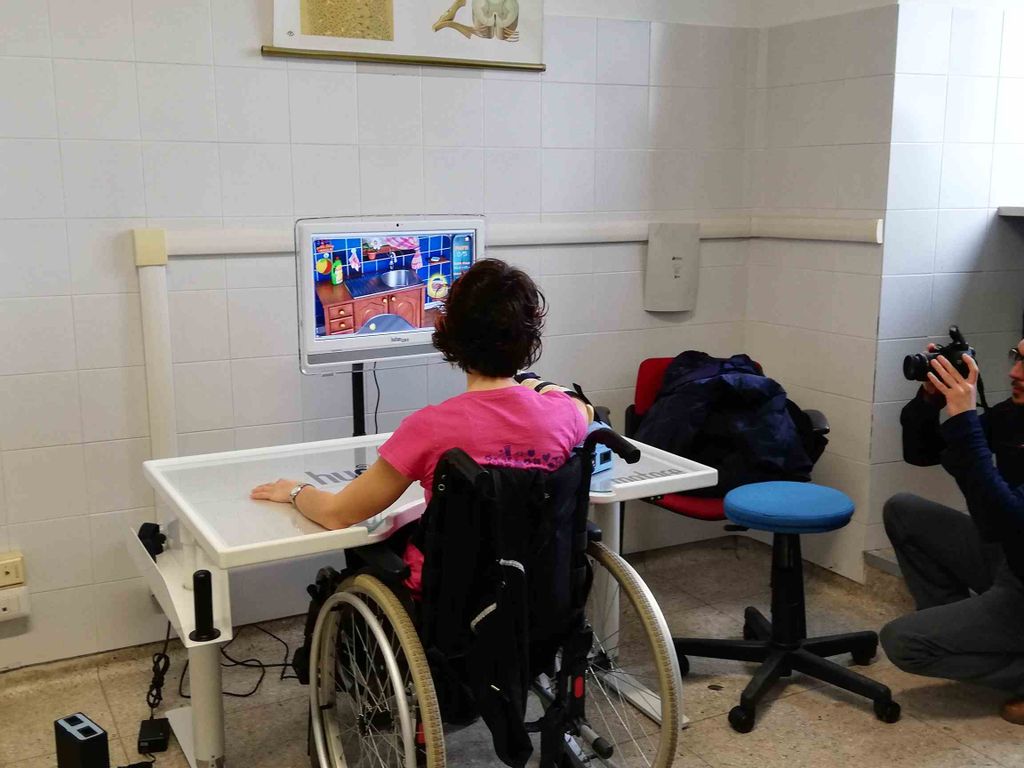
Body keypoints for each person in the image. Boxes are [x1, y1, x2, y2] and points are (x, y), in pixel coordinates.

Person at [250, 258, 590, 593]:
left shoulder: (430, 429)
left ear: (450, 331)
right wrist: (536, 384)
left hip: (449, 601)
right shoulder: (563, 415)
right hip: (538, 594)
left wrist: (295, 492)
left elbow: (338, 514)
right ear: (530, 337)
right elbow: (582, 408)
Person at [879, 341, 1024, 724]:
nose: (1014, 372)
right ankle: (966, 634)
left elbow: (999, 520)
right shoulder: (1014, 413)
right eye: (1017, 357)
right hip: (1011, 557)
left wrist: (964, 420)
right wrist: (930, 401)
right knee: (904, 511)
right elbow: (922, 452)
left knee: (903, 643)